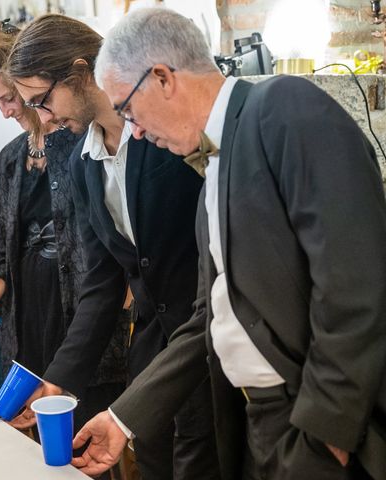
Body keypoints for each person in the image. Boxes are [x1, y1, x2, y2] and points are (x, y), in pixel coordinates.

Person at [73, 7, 386, 480]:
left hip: (316, 420)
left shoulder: (284, 107)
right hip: (254, 422)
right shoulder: (215, 161)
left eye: (129, 110)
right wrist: (125, 418)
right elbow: (209, 318)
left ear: (162, 77)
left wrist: (327, 434)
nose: (134, 130)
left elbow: (358, 282)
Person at [6, 14, 218, 480]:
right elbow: (101, 286)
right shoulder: (84, 163)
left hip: (212, 349)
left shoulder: (166, 128)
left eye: (42, 101)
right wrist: (57, 382)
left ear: (81, 72)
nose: (43, 118)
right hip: (149, 360)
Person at [0, 20, 129, 444]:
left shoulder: (88, 142)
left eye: (11, 98)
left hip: (83, 317)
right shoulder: (11, 159)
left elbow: (107, 250)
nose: (6, 111)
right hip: (25, 317)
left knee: (84, 442)